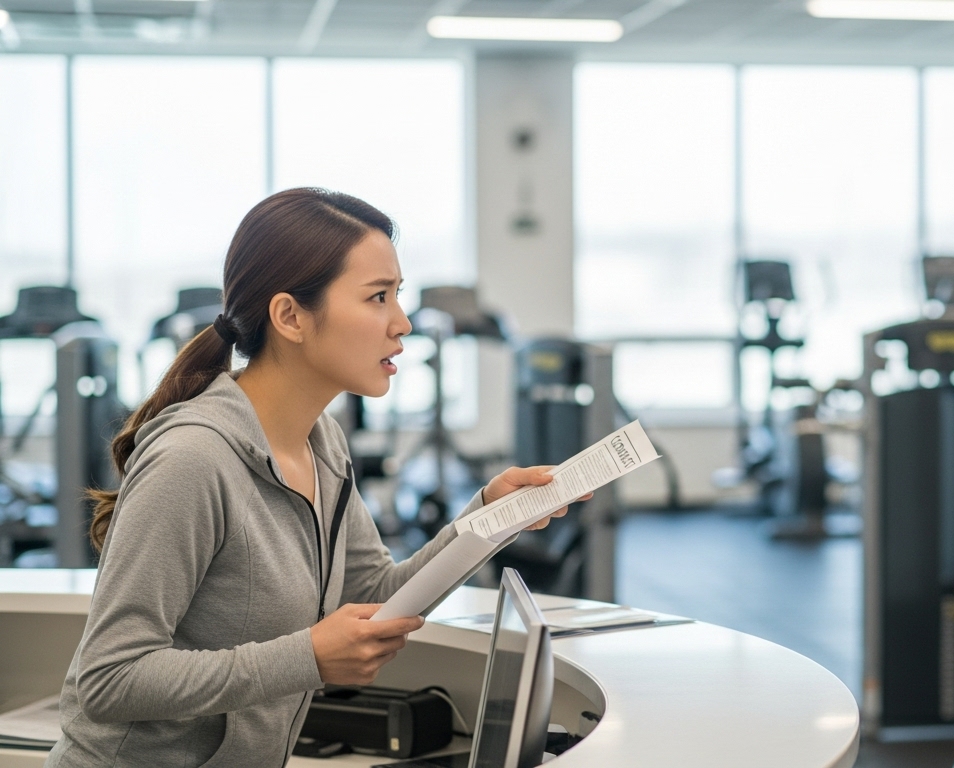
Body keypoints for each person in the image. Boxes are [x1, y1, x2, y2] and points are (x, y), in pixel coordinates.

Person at [46, 188, 583, 767]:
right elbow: (109, 677)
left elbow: (376, 597)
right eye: (378, 297)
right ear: (290, 316)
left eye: (397, 295)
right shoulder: (193, 460)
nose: (401, 323)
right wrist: (307, 658)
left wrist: (485, 521)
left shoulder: (321, 441)